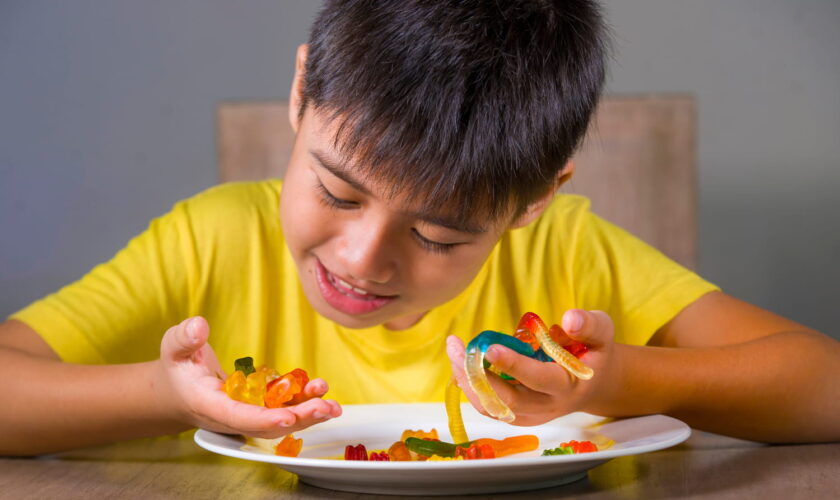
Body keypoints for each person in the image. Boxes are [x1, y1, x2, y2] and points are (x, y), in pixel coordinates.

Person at [1, 0, 838, 456]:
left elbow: (825, 383)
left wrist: (626, 384)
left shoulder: (569, 248)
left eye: (440, 239)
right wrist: (160, 395)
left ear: (534, 200)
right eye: (336, 191)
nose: (363, 259)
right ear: (301, 94)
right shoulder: (209, 240)